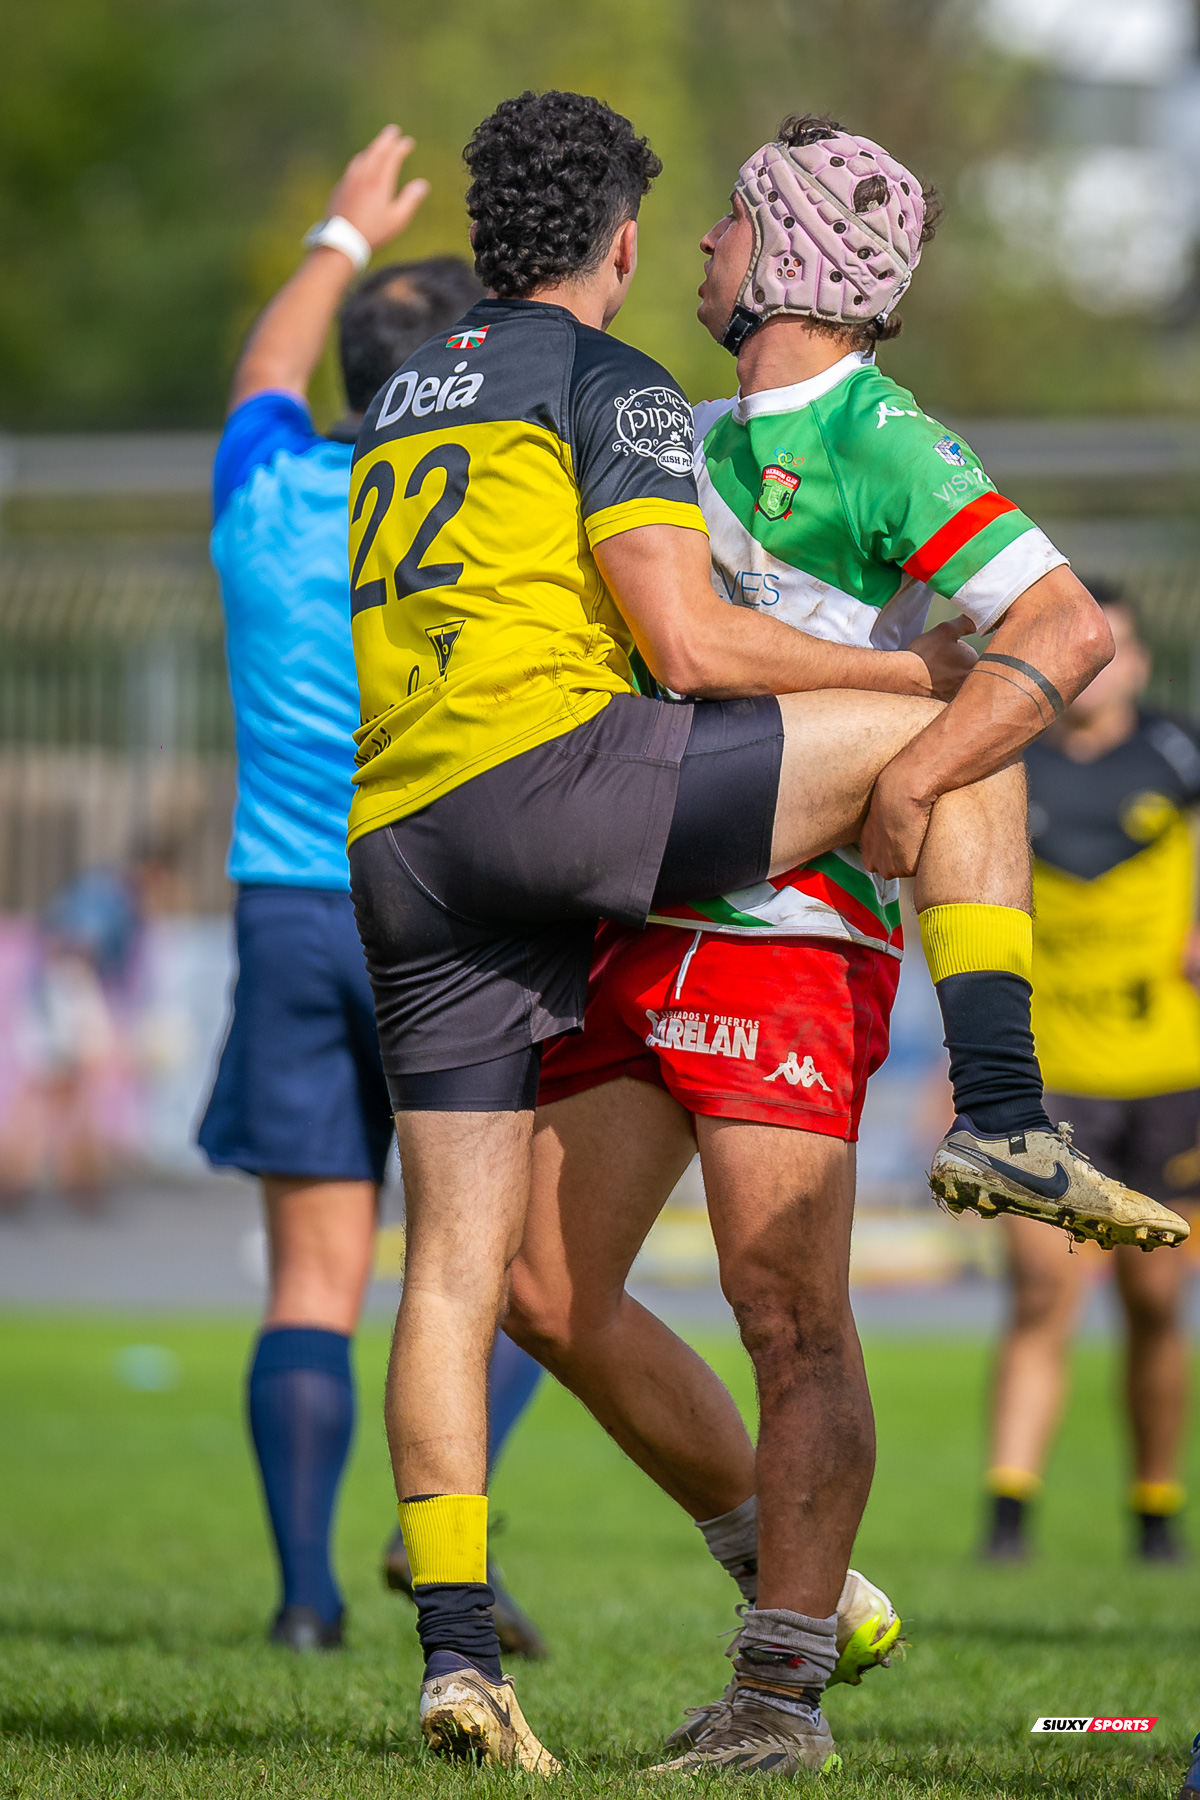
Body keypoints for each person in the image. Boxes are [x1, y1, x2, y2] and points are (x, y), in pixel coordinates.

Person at [344, 90, 1178, 1772]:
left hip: (789, 923)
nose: (700, 248)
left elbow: (1054, 632)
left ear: (779, 249)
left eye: (730, 221)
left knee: (782, 1303)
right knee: (537, 1289)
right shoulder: (664, 421)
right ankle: (786, 1578)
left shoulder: (879, 431)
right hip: (634, 882)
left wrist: (918, 769)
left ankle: (778, 1693)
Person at [196, 126, 545, 1656]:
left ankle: (301, 1600)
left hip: (285, 906)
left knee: (315, 1276)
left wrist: (337, 232)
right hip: (445, 906)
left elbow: (257, 380)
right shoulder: (480, 516)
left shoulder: (267, 494)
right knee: (518, 1267)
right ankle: (436, 1530)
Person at [982, 587, 1199, 1563]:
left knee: (1156, 1300)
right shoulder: (1004, 759)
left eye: (1114, 651)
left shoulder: (1181, 757)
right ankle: (1008, 1518)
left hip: (1170, 1073)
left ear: (1140, 664)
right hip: (1053, 1074)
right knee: (1041, 1292)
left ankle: (1155, 1509)